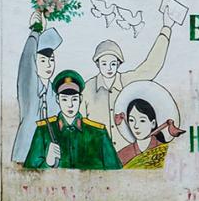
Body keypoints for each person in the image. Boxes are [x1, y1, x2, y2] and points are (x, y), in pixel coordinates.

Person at [82, 7, 177, 151]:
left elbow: (151, 67)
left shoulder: (127, 81)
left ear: (119, 64)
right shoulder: (87, 89)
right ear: (97, 64)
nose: (109, 68)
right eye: (104, 63)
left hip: (128, 157)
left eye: (113, 63)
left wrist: (166, 28)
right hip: (98, 158)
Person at [23, 70, 122, 170]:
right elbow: (28, 174)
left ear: (80, 98)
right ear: (57, 99)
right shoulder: (43, 131)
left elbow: (115, 173)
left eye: (74, 99)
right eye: (64, 99)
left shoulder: (98, 133)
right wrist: (48, 164)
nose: (70, 105)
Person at [11, 12, 63, 163]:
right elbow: (27, 63)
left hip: (51, 160)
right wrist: (35, 31)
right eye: (42, 60)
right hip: (25, 156)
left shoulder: (56, 94)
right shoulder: (30, 89)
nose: (48, 65)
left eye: (51, 60)